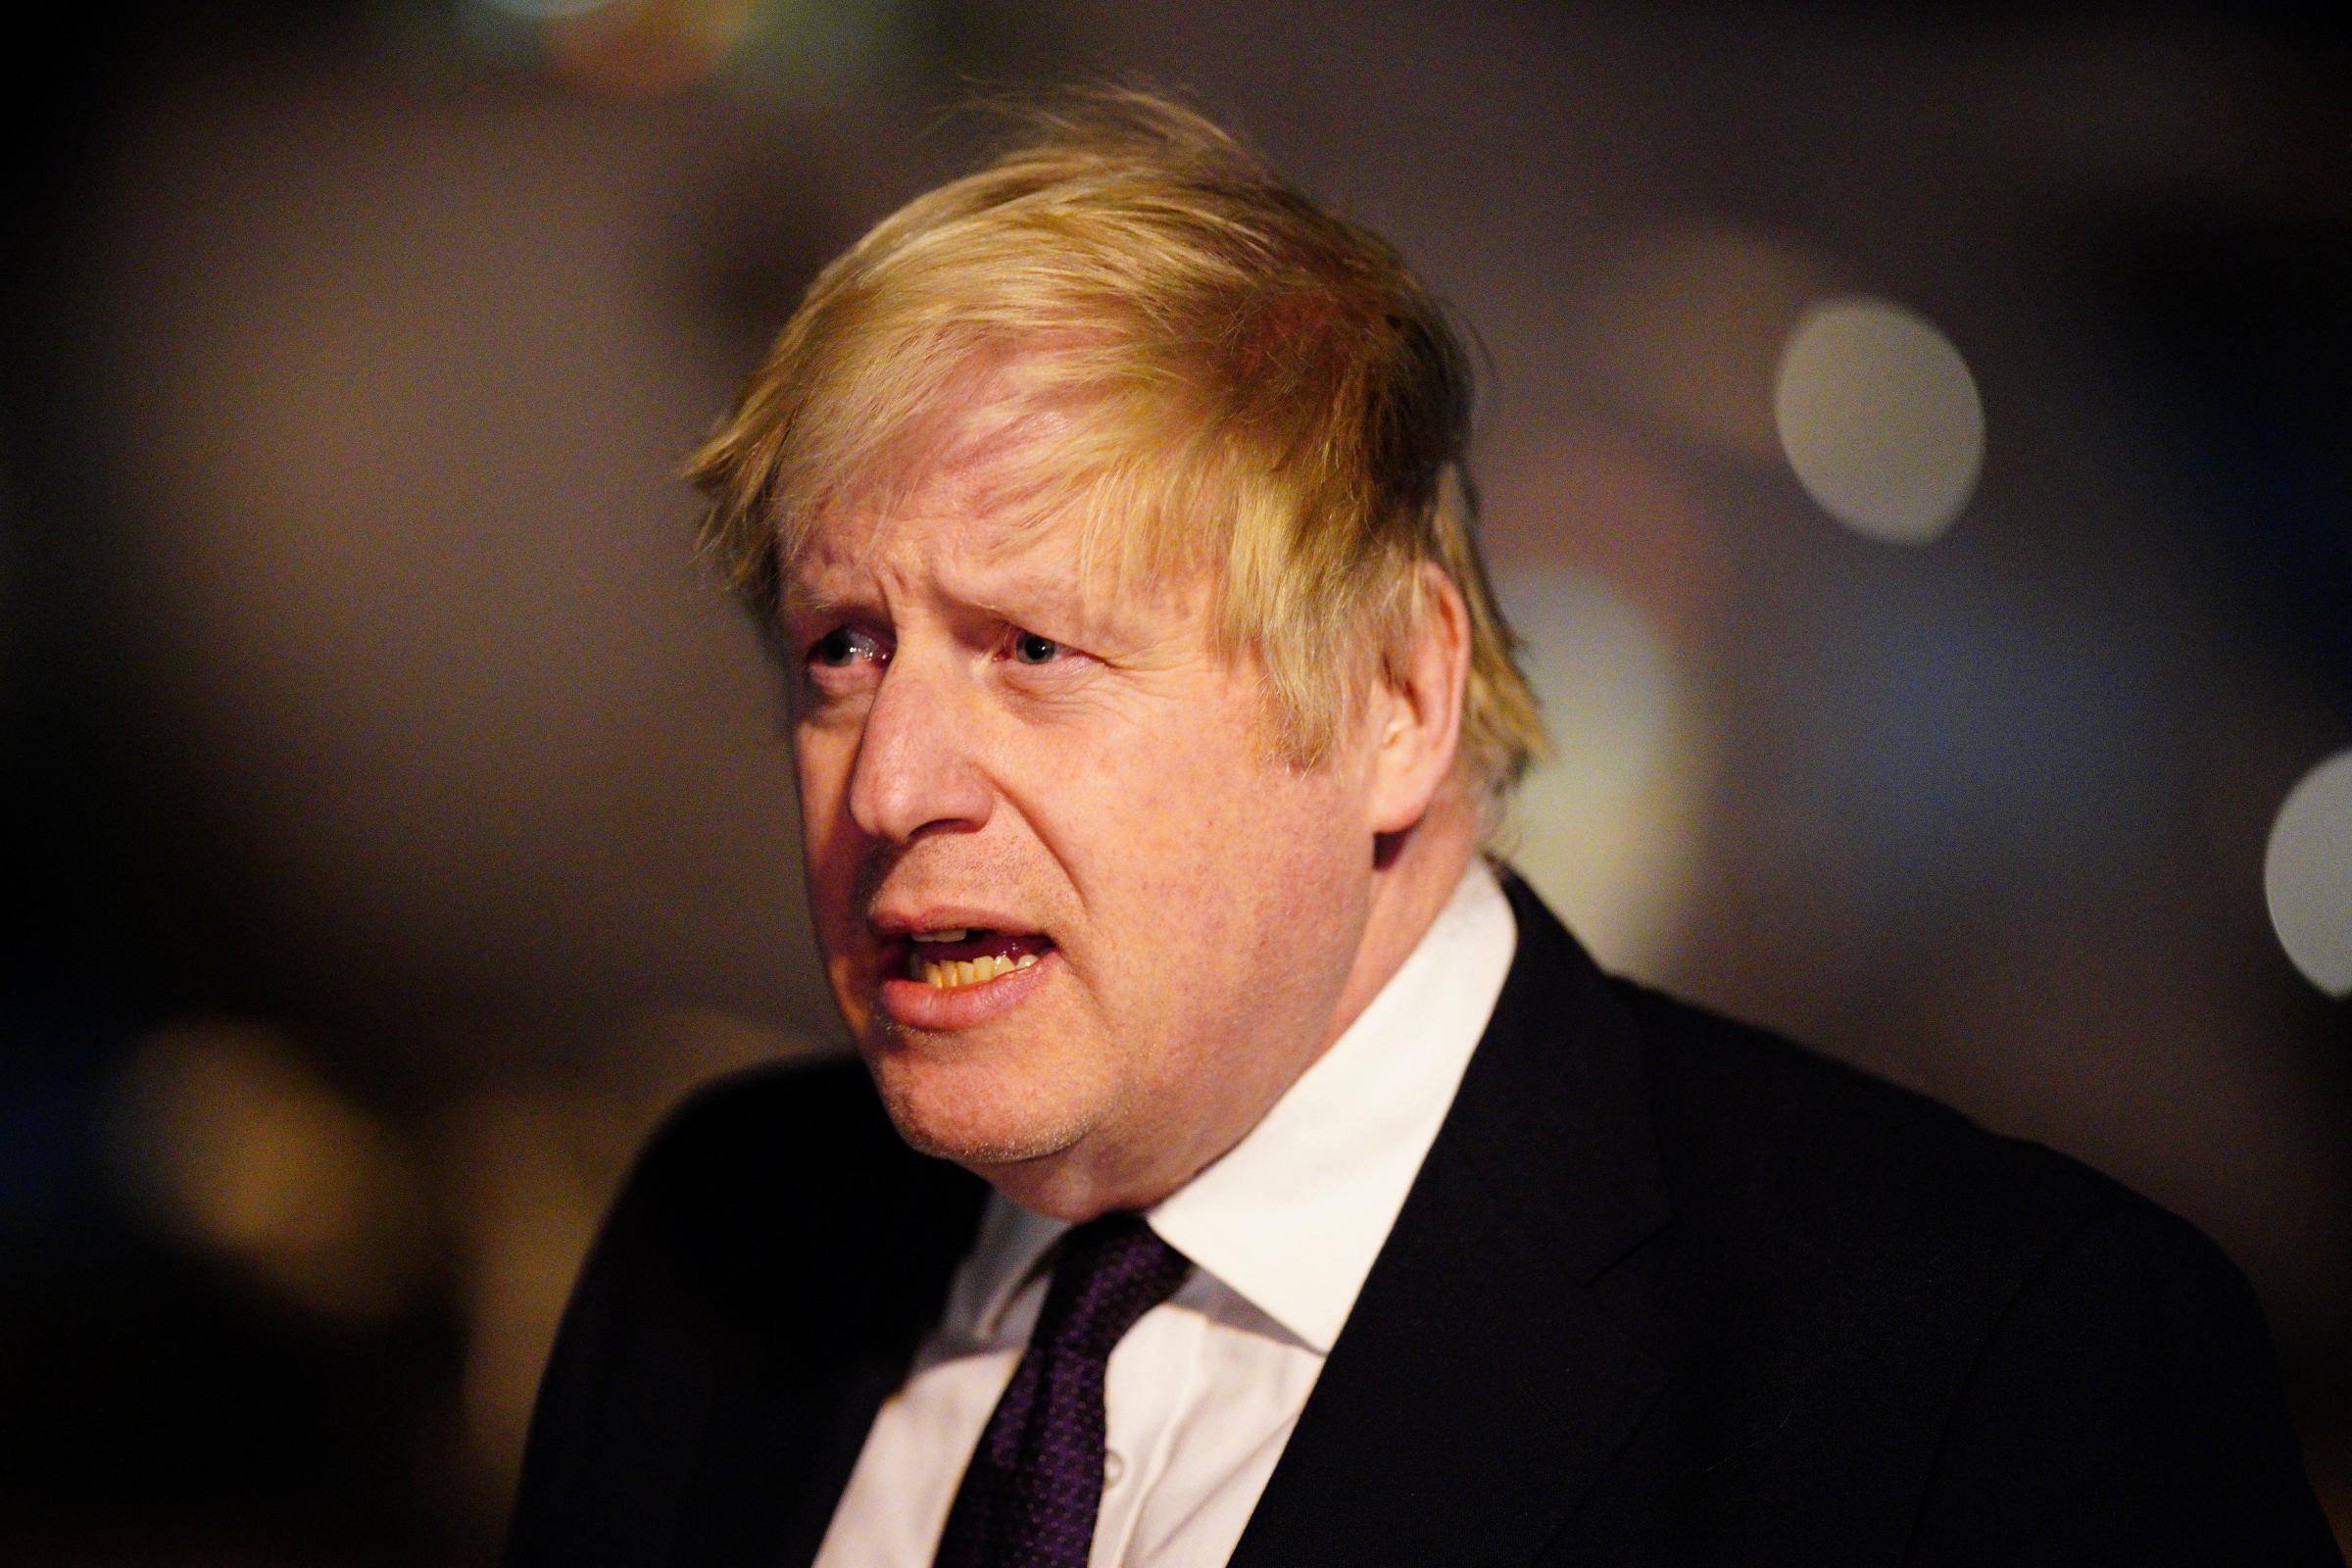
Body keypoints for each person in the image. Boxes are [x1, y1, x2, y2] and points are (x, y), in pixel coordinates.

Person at [506, 92, 2342, 1566]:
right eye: (844, 649)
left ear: (1396, 696)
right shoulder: (717, 1244)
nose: (893, 781)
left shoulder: (1991, 1377)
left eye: (1035, 649)